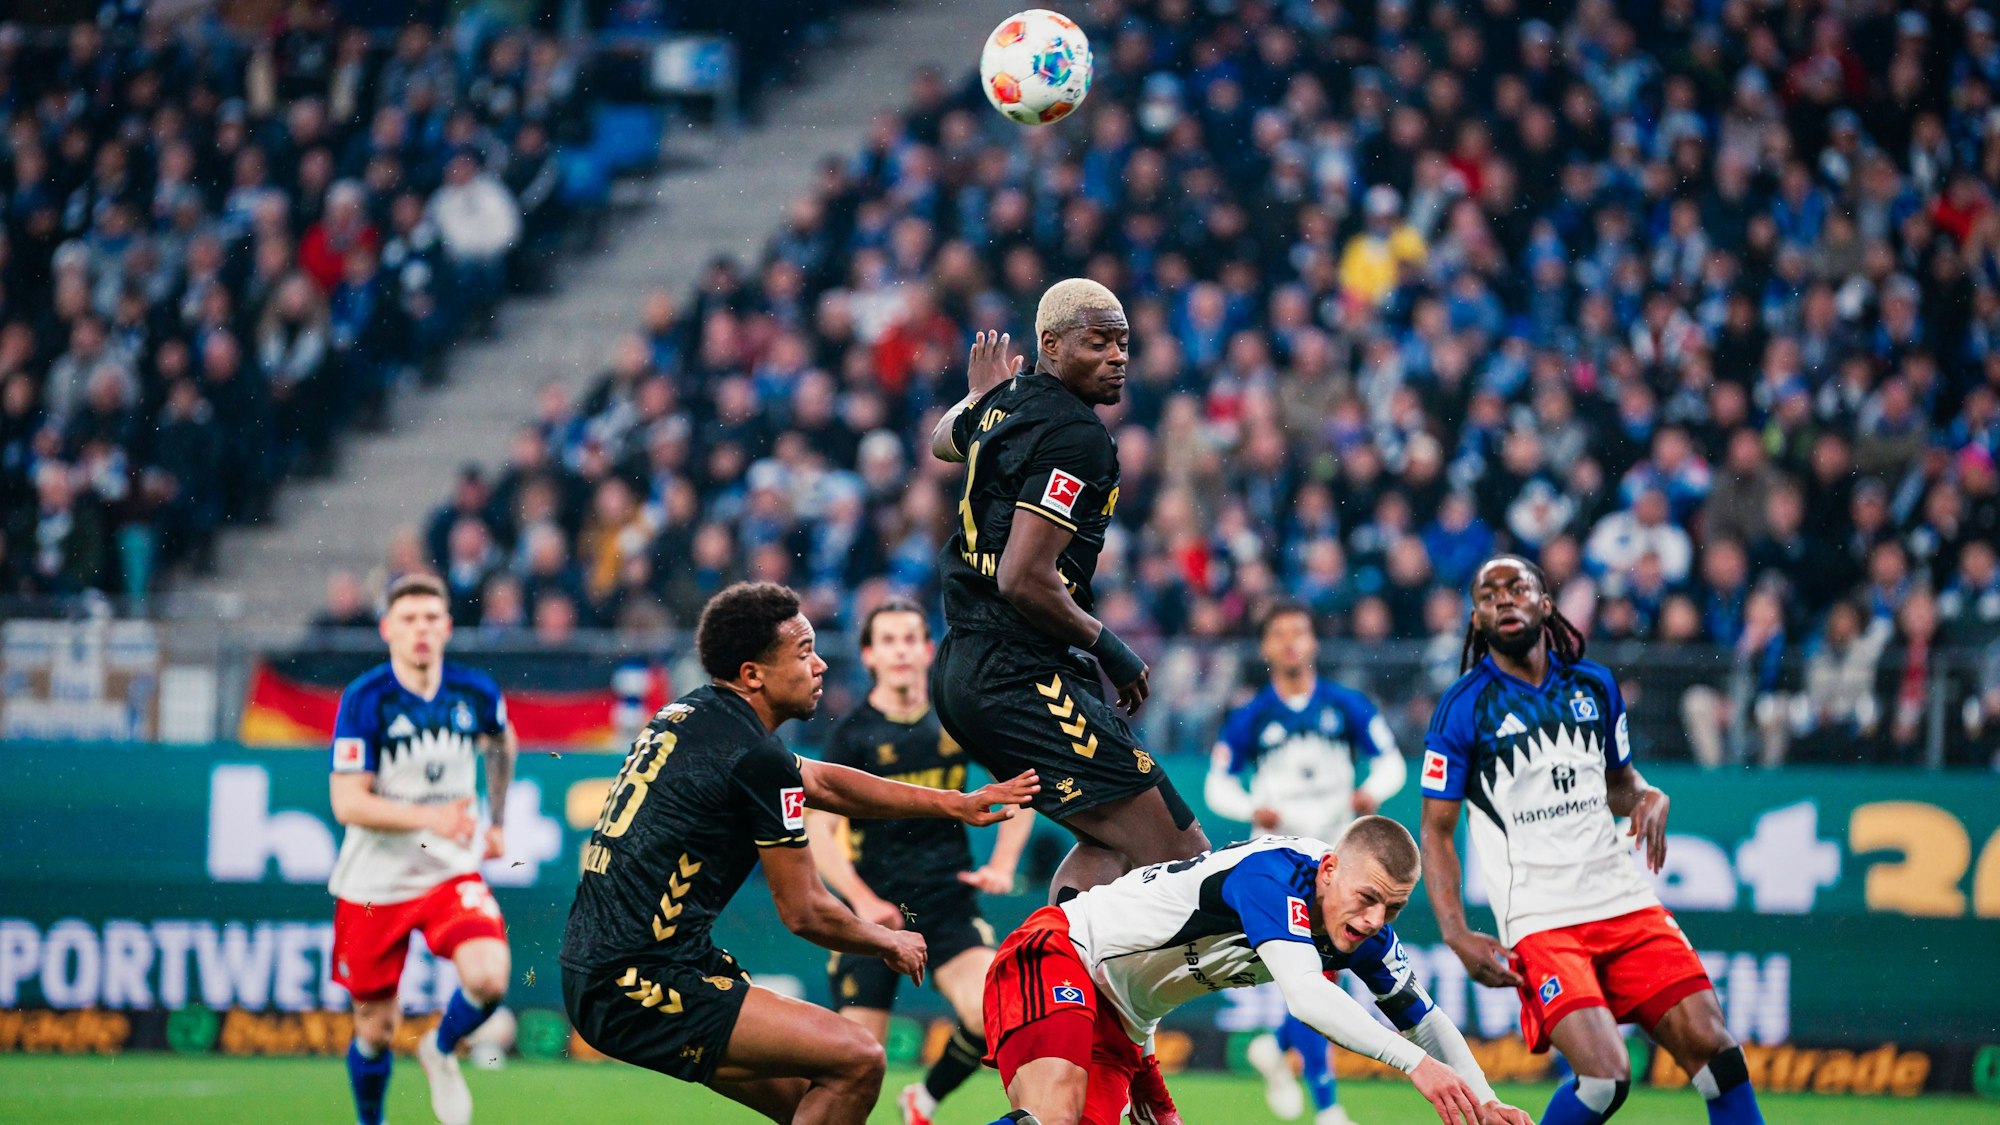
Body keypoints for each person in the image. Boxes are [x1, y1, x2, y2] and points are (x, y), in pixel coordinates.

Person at [558, 582, 1037, 1125]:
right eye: (804, 653)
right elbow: (804, 911)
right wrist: (888, 940)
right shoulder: (755, 758)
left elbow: (824, 785)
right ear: (752, 675)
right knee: (859, 1057)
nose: (821, 667)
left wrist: (953, 804)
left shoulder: (692, 714)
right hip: (638, 980)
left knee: (816, 1098)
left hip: (617, 964)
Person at [930, 279, 1207, 1122]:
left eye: (1123, 341)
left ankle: (1059, 1061)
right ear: (1051, 344)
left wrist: (981, 398)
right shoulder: (1077, 435)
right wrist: (1110, 643)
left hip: (980, 667)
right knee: (1185, 861)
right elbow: (1022, 577)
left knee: (1117, 856)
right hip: (1020, 669)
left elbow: (945, 438)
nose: (1117, 354)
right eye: (1096, 340)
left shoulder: (1008, 402)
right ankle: (1061, 1042)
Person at [1420, 556, 1765, 1125]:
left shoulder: (1595, 684)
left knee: (1719, 1053)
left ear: (1545, 604)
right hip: (1540, 917)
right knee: (1606, 1078)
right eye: (1489, 595)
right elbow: (1436, 831)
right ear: (1477, 620)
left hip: (1622, 900)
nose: (1505, 600)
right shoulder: (1463, 708)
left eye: (1518, 588)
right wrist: (1456, 934)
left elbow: (1619, 785)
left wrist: (1650, 795)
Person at [978, 818, 1533, 1125]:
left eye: (1392, 909)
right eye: (1367, 898)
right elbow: (1307, 997)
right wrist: (1416, 1067)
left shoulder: (1359, 925)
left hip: (1125, 1026)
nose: (1373, 921)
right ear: (1330, 869)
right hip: (1060, 951)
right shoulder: (1273, 875)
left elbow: (1427, 1020)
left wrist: (1484, 1099)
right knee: (1056, 1118)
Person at [808, 597, 1036, 1125]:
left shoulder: (954, 720)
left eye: (911, 638)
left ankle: (924, 1101)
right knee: (858, 1066)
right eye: (888, 641)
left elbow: (1020, 787)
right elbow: (820, 828)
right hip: (871, 916)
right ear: (868, 656)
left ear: (929, 649)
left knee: (993, 1014)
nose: (902, 651)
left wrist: (1002, 864)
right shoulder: (852, 734)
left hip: (946, 903)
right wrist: (862, 901)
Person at [327, 574, 518, 1125]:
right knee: (374, 1030)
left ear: (447, 628)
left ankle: (439, 1047)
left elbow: (503, 743)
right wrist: (431, 816)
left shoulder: (475, 691)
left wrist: (498, 820)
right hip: (372, 884)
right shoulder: (366, 699)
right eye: (409, 619)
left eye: (432, 618)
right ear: (388, 628)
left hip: (447, 872)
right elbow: (347, 802)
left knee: (488, 975)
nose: (421, 630)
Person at [1205, 602, 1406, 1125]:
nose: (1292, 642)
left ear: (1314, 642)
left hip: (1337, 860)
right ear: (1267, 648)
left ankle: (1283, 1058)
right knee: (1318, 975)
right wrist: (1251, 807)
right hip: (1278, 865)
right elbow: (1216, 784)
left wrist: (1371, 790)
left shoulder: (1347, 705)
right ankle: (1327, 1106)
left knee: (1323, 973)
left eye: (1300, 632)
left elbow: (1391, 762)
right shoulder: (1251, 717)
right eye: (1280, 635)